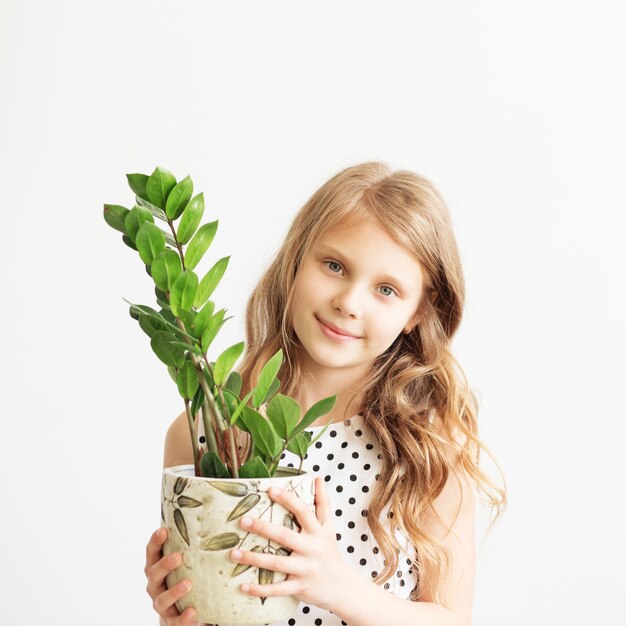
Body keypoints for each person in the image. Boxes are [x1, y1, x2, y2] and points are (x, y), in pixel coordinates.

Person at [144, 161, 507, 626]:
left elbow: (453, 620)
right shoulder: (206, 434)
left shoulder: (427, 445)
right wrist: (177, 610)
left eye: (386, 289)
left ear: (419, 311)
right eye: (335, 266)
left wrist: (337, 586)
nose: (349, 303)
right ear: (296, 259)